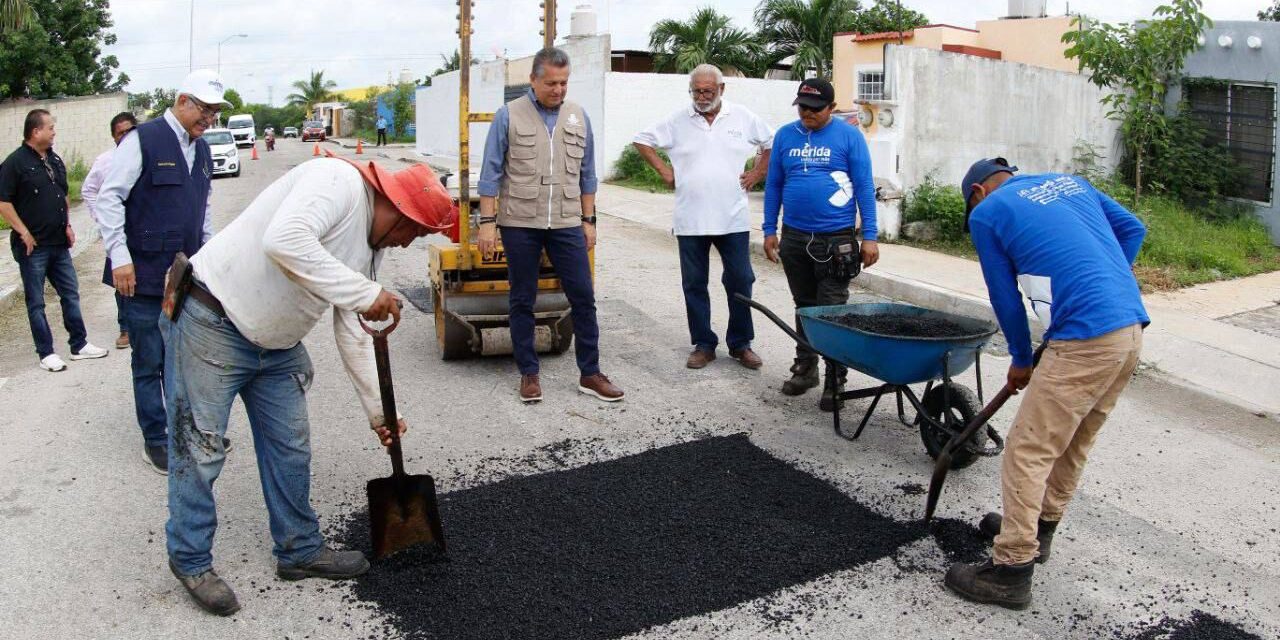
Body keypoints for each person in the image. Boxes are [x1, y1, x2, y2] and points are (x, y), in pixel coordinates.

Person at [162, 154, 456, 616]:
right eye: (412, 232)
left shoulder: (370, 250)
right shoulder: (335, 181)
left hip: (277, 345)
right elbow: (284, 240)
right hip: (213, 322)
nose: (406, 244)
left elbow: (356, 327)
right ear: (397, 208)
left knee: (290, 446)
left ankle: (299, 550)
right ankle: (191, 560)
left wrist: (380, 413)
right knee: (200, 450)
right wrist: (365, 294)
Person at [943, 158, 1149, 610]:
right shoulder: (1069, 182)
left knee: (1027, 449)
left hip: (1086, 340)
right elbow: (1133, 230)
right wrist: (1101, 288)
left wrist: (1020, 357)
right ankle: (1038, 531)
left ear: (978, 190)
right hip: (1128, 329)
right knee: (1073, 441)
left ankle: (1011, 570)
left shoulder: (987, 213)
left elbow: (1004, 295)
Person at [95, 69, 225, 474]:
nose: (209, 120)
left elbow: (201, 211)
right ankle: (156, 438)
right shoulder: (143, 139)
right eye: (205, 110)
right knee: (149, 360)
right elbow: (109, 198)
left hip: (185, 275)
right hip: (143, 273)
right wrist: (120, 256)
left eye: (215, 113)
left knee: (184, 359)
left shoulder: (201, 150)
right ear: (183, 100)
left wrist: (210, 258)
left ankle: (184, 429)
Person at [477, 47, 624, 404]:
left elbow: (587, 174)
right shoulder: (508, 115)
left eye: (564, 82)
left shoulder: (578, 116)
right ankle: (529, 373)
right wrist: (487, 223)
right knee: (522, 298)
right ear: (533, 79)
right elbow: (490, 173)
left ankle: (590, 374)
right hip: (519, 222)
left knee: (584, 298)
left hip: (566, 222)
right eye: (551, 83)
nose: (558, 90)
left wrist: (589, 220)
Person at [633, 64, 773, 371]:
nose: (701, 96)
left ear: (722, 89)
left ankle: (740, 343)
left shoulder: (743, 117)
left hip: (732, 218)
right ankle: (704, 343)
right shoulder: (678, 120)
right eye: (696, 91)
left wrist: (758, 172)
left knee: (740, 279)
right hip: (691, 219)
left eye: (708, 90)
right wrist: (663, 170)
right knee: (694, 284)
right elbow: (641, 139)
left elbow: (771, 142)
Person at [762, 78, 879, 411]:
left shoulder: (849, 136)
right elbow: (774, 185)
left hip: (836, 239)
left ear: (831, 108)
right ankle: (806, 367)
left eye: (815, 109)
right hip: (795, 237)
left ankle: (834, 377)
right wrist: (770, 229)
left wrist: (869, 236)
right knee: (804, 305)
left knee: (831, 311)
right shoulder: (786, 135)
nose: (807, 114)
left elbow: (864, 186)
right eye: (803, 107)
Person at [0, 109, 109, 372]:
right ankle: (46, 353)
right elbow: (3, 203)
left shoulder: (54, 159)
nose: (54, 132)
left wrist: (68, 225)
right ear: (35, 131)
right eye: (50, 127)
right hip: (33, 247)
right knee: (36, 301)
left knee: (70, 293)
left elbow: (63, 195)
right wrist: (23, 231)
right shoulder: (14, 163)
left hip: (59, 243)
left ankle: (79, 344)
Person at [81, 111, 139, 350]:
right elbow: (88, 191)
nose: (125, 136)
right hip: (117, 231)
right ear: (113, 136)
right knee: (121, 279)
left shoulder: (150, 155)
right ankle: (125, 328)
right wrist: (102, 219)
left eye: (129, 130)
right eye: (120, 132)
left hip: (145, 230)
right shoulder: (105, 161)